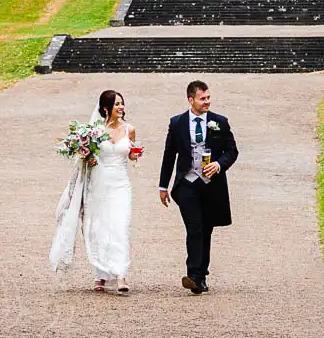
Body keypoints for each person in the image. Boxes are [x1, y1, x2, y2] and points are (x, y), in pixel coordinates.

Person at [50, 89, 142, 295]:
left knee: (120, 226)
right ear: (105, 108)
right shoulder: (95, 131)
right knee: (98, 227)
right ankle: (100, 273)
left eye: (122, 103)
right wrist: (88, 158)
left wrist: (136, 155)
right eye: (117, 104)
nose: (121, 107)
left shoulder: (130, 129)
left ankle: (120, 275)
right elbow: (84, 156)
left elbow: (131, 154)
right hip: (98, 184)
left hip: (120, 184)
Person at [158, 80, 239, 294]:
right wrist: (163, 186)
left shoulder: (220, 122)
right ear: (190, 99)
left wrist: (219, 164)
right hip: (187, 183)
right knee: (194, 227)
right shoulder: (177, 123)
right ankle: (193, 274)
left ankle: (201, 276)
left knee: (206, 230)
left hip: (211, 185)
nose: (207, 102)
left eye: (208, 98)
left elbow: (232, 151)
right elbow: (169, 155)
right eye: (203, 99)